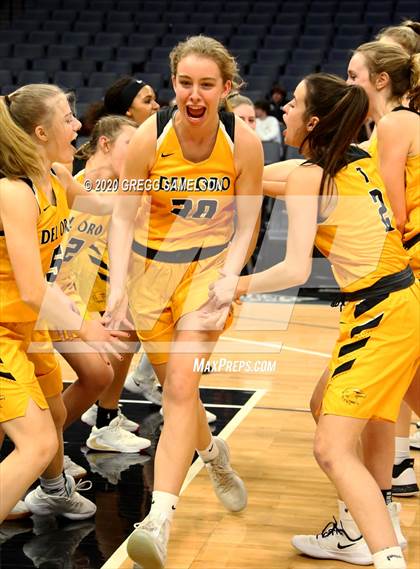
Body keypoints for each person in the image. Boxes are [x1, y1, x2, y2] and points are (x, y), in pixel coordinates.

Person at [209, 73, 419, 569]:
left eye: (295, 104)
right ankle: (359, 524)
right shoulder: (354, 161)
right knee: (329, 404)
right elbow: (265, 176)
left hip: (381, 313)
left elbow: (295, 268)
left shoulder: (312, 177)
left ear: (314, 120)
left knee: (331, 448)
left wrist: (232, 285)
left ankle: (383, 552)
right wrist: (224, 170)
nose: (284, 110)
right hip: (396, 303)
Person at [106, 35, 263, 568]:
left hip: (206, 273)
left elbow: (248, 222)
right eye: (185, 83)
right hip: (152, 274)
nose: (195, 94)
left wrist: (231, 274)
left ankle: (159, 517)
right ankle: (213, 455)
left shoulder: (242, 142)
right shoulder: (147, 140)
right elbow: (124, 216)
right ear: (174, 84)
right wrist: (117, 287)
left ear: (226, 88)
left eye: (207, 84)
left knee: (177, 385)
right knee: (181, 393)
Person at [0, 84, 127, 523]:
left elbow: (101, 205)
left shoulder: (55, 177)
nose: (78, 124)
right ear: (39, 131)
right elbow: (33, 289)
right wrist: (86, 326)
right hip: (4, 327)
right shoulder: (14, 192)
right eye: (67, 118)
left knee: (53, 416)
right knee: (36, 442)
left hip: (26, 323)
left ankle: (54, 490)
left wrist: (156, 192)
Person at [51, 115, 152, 454]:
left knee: (102, 367)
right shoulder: (72, 183)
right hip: (52, 296)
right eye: (131, 145)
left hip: (75, 296)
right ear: (106, 144)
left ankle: (56, 450)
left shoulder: (113, 193)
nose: (139, 154)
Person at [347, 41, 420, 500]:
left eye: (354, 75)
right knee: (409, 380)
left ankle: (380, 491)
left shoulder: (395, 122)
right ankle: (390, 480)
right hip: (409, 259)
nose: (347, 83)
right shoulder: (390, 124)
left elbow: (391, 209)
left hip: (411, 258)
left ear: (381, 80)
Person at [81, 75, 160, 136]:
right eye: (147, 101)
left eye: (155, 100)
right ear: (128, 110)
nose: (157, 106)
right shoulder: (116, 147)